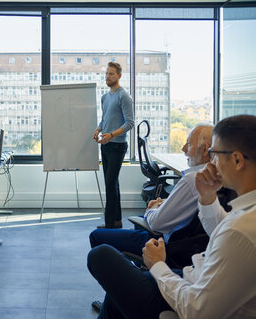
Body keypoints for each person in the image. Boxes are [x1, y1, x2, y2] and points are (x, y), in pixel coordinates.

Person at [87, 114, 256, 318]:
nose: (211, 160)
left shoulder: (242, 230)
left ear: (237, 160)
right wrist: (207, 197)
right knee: (117, 293)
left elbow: (196, 310)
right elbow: (220, 229)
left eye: (215, 153)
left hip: (188, 293)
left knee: (100, 255)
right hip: (191, 276)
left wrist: (158, 265)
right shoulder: (246, 212)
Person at [89, 124, 213, 256]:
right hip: (187, 241)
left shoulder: (193, 179)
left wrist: (152, 209)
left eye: (188, 144)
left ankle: (133, 275)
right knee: (139, 222)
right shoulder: (217, 177)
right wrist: (165, 203)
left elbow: (156, 224)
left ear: (205, 149)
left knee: (96, 235)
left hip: (165, 244)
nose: (183, 148)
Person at [93, 62, 134, 229]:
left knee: (110, 185)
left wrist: (111, 135)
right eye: (107, 74)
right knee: (112, 183)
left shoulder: (123, 96)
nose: (108, 77)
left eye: (111, 74)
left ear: (119, 76)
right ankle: (117, 221)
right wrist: (98, 129)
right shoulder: (105, 97)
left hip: (117, 146)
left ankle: (110, 224)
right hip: (106, 145)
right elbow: (105, 119)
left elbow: (130, 123)